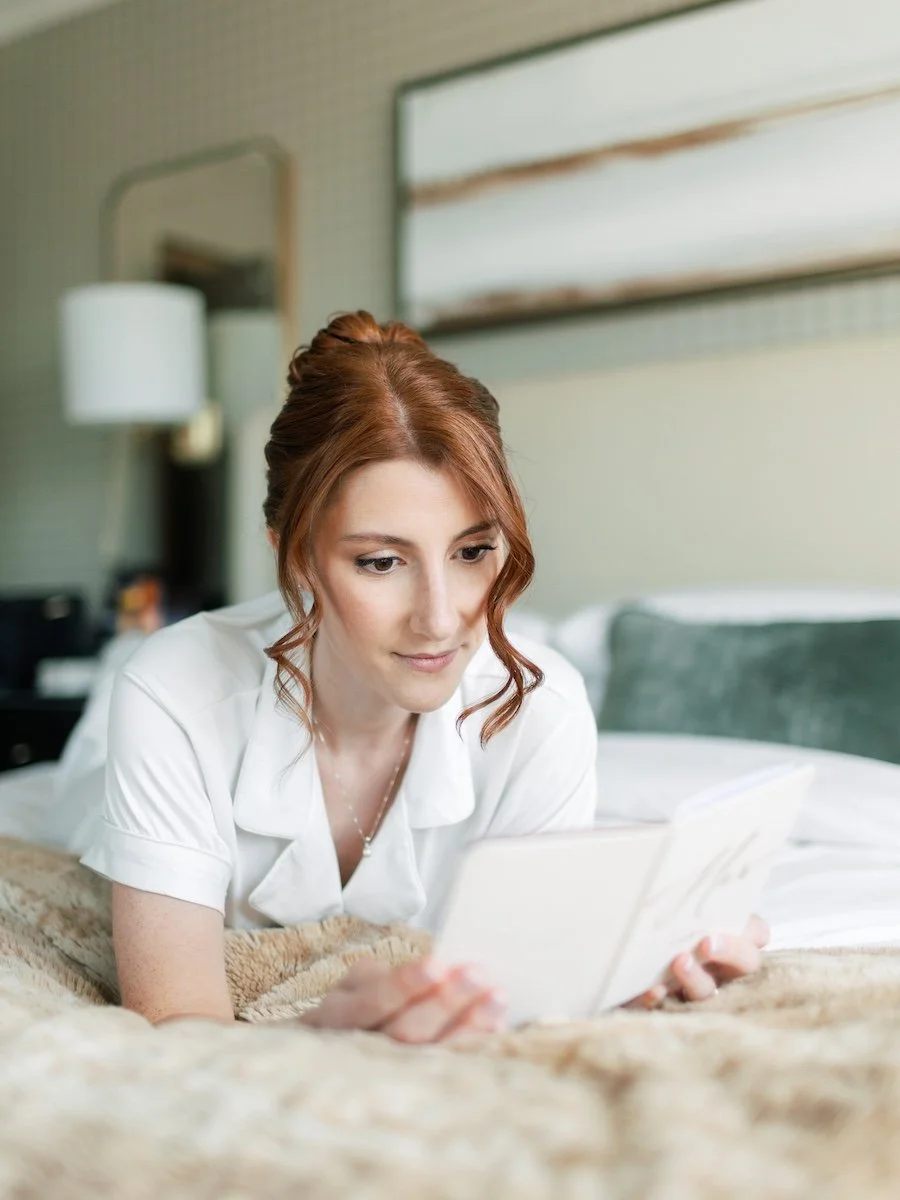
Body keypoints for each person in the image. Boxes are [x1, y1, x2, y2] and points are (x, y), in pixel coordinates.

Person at [79, 311, 768, 1041]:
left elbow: (527, 994)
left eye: (473, 552)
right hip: (102, 778)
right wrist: (317, 1034)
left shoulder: (540, 709)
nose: (441, 620)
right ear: (294, 557)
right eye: (381, 562)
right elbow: (174, 1028)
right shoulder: (173, 693)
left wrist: (625, 983)